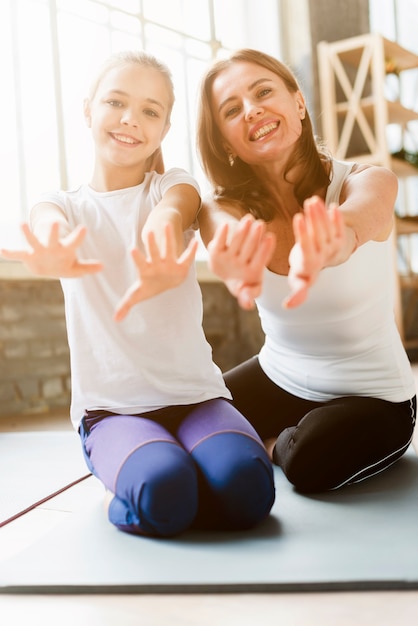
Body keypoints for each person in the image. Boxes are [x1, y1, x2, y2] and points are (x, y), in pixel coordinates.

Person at [0, 50, 275, 536]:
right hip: (112, 411)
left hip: (197, 399)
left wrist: (163, 232)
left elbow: (177, 208)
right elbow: (47, 224)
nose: (131, 119)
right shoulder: (61, 204)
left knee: (249, 489)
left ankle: (180, 481)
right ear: (89, 110)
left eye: (151, 110)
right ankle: (140, 484)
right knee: (165, 492)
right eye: (116, 102)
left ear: (165, 128)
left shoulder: (172, 185)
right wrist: (51, 251)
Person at [196, 48, 417, 494]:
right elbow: (221, 228)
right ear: (224, 142)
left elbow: (366, 212)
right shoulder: (224, 208)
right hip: (280, 375)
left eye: (263, 92)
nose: (252, 109)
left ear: (298, 103)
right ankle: (284, 430)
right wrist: (226, 254)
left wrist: (342, 236)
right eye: (232, 109)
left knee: (309, 461)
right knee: (191, 419)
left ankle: (278, 441)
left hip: (374, 395)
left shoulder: (365, 179)